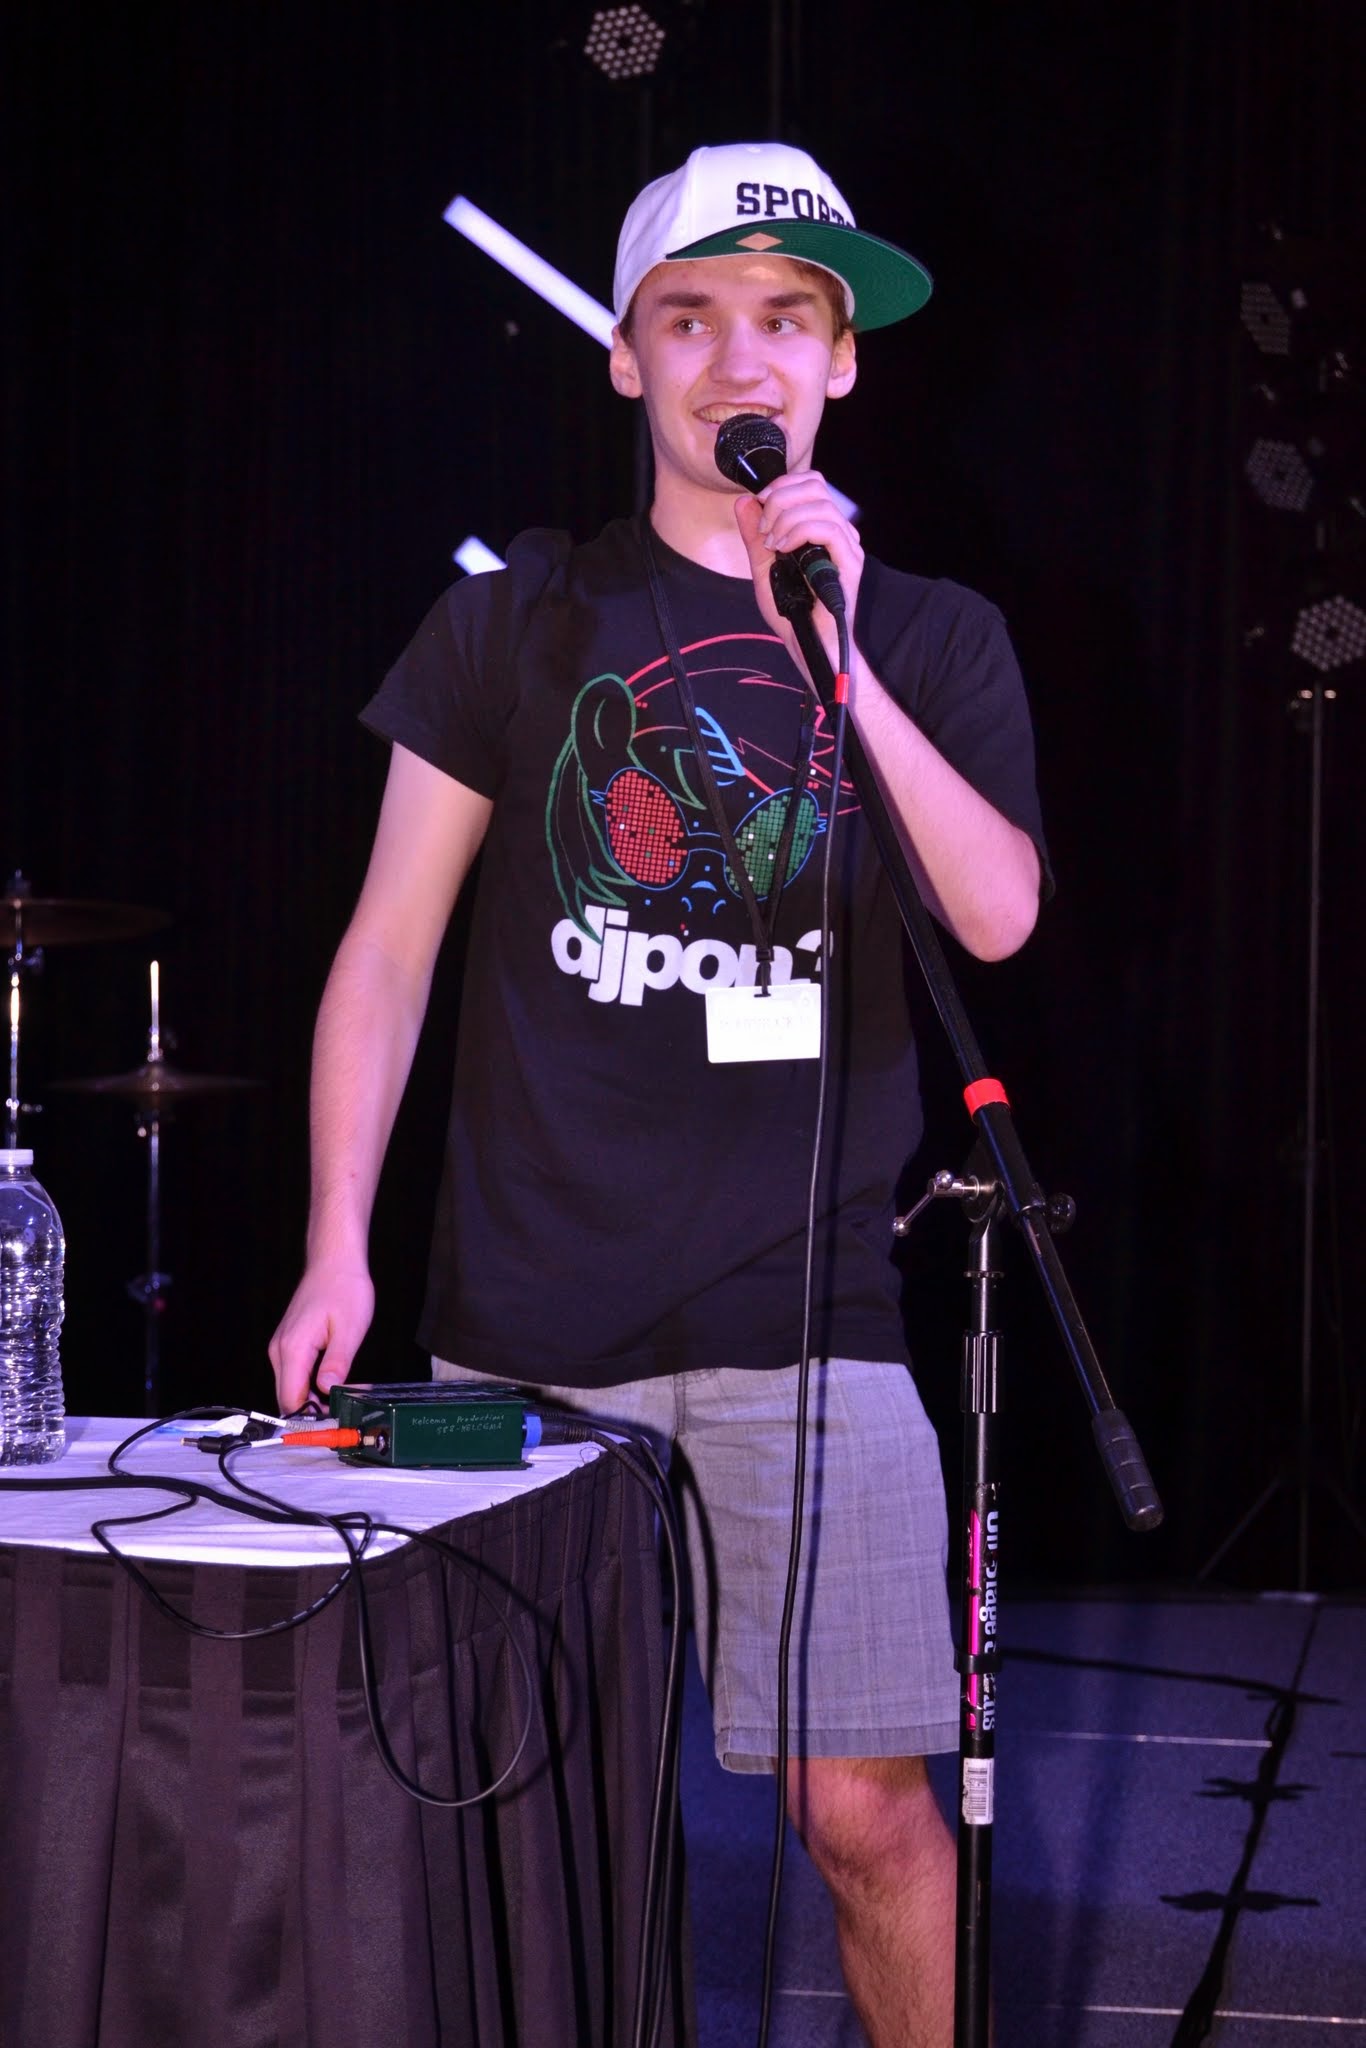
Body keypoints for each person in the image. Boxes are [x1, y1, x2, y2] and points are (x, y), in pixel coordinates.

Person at [271, 140, 1046, 2047]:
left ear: (840, 362)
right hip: (522, 1323)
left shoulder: (932, 634)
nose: (738, 357)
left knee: (863, 1813)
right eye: (689, 319)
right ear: (627, 360)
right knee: (510, 1820)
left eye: (784, 317)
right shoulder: (514, 621)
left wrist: (827, 651)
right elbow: (385, 950)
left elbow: (996, 915)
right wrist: (332, 1242)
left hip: (806, 1318)